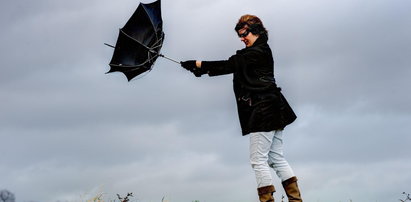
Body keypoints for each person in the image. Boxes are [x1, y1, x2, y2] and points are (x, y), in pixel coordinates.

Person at [181, 14, 302, 202]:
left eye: (245, 33)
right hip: (274, 108)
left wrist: (198, 65)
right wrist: (202, 70)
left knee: (258, 160)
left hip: (263, 110)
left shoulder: (256, 52)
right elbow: (232, 65)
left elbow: (230, 65)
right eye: (239, 34)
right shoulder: (259, 50)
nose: (241, 38)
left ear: (256, 31)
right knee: (276, 158)